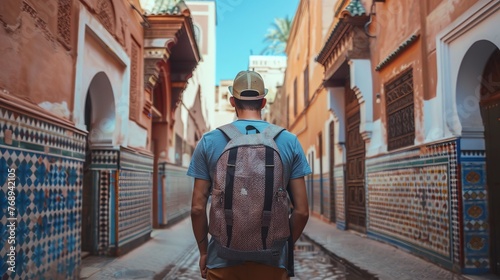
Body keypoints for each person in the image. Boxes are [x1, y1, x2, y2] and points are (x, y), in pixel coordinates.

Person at [188, 70, 310, 279]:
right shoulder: (289, 141)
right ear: (263, 102)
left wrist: (204, 252)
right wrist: (280, 247)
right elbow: (302, 212)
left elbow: (198, 208)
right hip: (273, 266)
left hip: (221, 262)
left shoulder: (209, 141)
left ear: (232, 101)